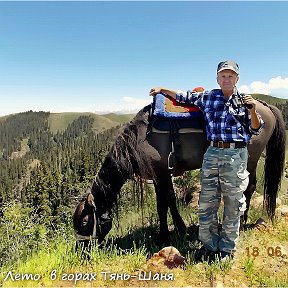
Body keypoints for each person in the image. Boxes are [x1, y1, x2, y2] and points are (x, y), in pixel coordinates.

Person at [149, 60, 264, 262]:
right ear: (217, 78)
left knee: (233, 204)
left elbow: (256, 129)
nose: (226, 79)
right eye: (223, 75)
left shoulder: (246, 101)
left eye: (231, 75)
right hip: (212, 153)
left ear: (237, 78)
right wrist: (162, 89)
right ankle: (209, 246)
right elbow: (184, 96)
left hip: (235, 154)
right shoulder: (208, 97)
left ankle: (227, 249)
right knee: (207, 203)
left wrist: (253, 109)